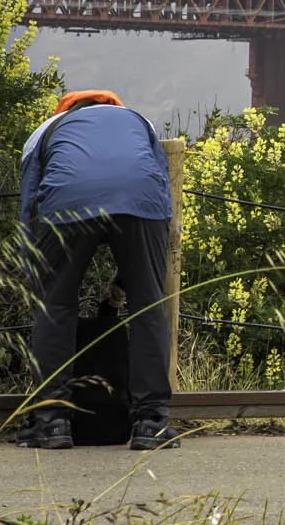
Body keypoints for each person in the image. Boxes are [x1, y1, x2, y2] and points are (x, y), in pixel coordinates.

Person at [16, 89, 180, 452]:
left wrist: (35, 269)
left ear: (68, 109)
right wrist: (134, 277)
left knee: (54, 307)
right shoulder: (140, 121)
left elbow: (30, 202)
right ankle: (150, 424)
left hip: (67, 203)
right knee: (148, 307)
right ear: (113, 106)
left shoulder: (46, 129)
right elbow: (159, 188)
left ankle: (52, 423)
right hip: (142, 203)